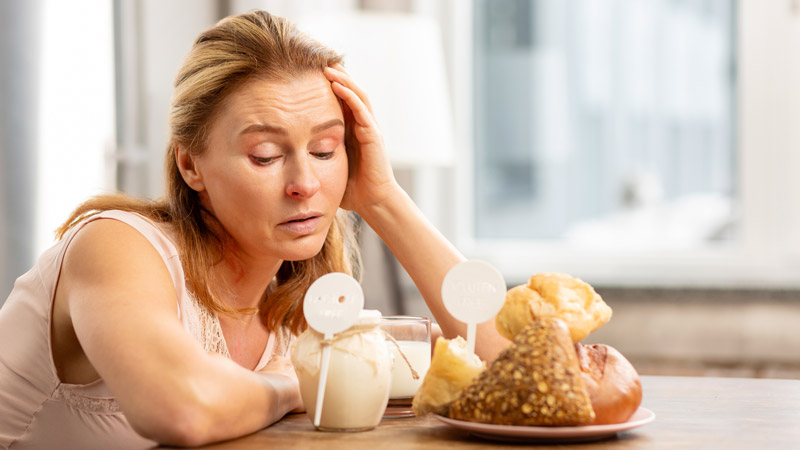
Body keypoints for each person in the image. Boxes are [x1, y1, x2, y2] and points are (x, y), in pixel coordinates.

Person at [0, 10, 509, 449]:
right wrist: (297, 382)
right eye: (265, 156)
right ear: (190, 165)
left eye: (326, 151)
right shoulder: (116, 246)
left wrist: (383, 198)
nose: (305, 183)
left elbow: (506, 366)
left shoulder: (305, 305)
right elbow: (185, 408)